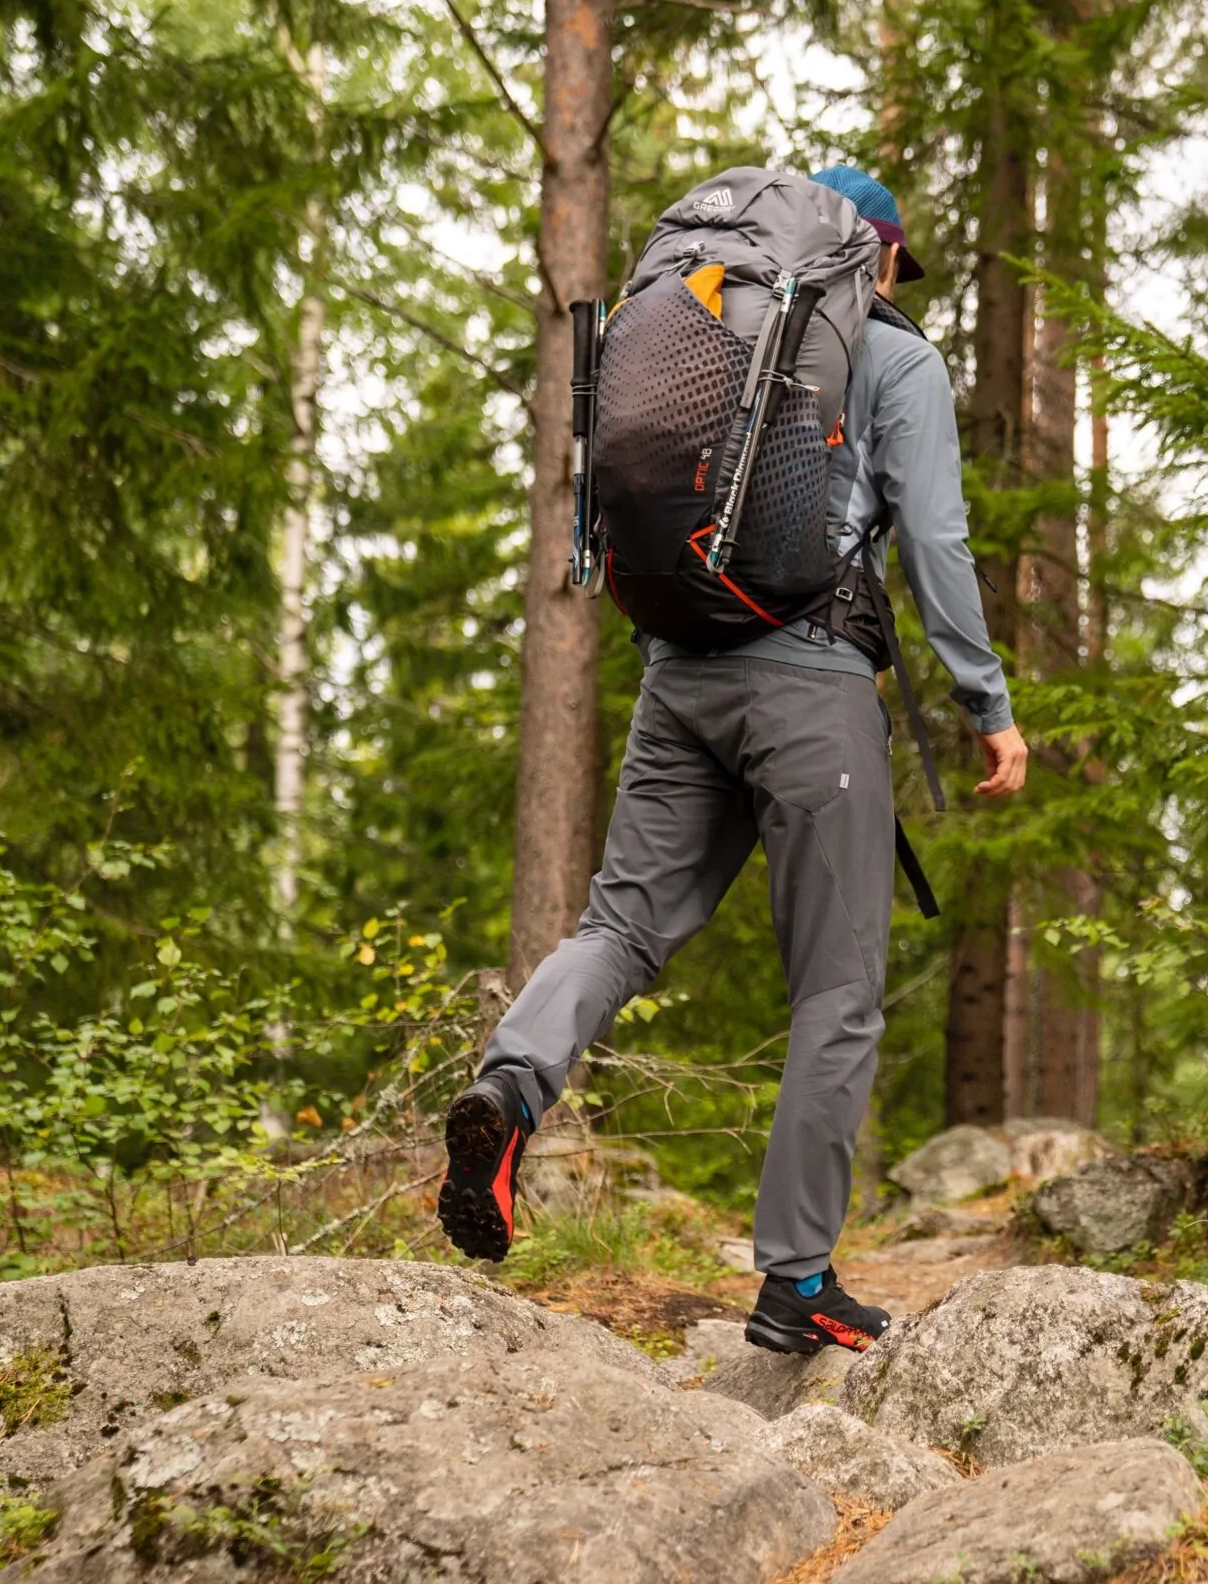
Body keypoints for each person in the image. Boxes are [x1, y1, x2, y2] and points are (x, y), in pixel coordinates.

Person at [437, 166, 1027, 1355]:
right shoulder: (895, 356)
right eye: (896, 266)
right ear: (881, 253)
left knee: (620, 926)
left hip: (678, 666)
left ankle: (510, 1085)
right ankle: (795, 1278)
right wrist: (988, 705)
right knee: (836, 989)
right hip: (810, 687)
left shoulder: (700, 309)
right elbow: (935, 540)